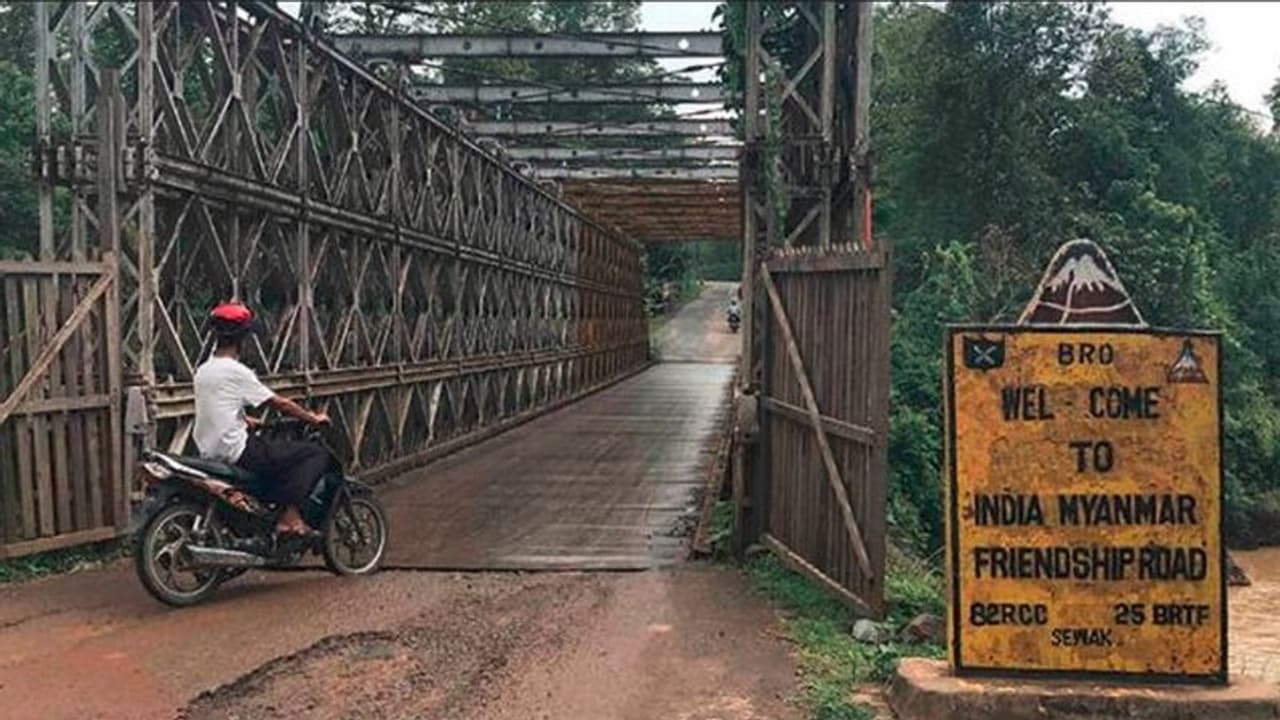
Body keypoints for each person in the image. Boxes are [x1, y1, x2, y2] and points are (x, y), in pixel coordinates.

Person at [193, 302, 331, 537]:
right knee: (314, 454)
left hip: (209, 449)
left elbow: (216, 406)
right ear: (242, 339)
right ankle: (290, 517)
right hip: (237, 450)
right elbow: (278, 403)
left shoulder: (204, 369)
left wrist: (244, 420)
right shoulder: (237, 371)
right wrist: (312, 418)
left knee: (274, 455)